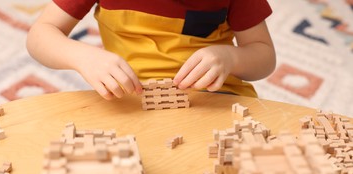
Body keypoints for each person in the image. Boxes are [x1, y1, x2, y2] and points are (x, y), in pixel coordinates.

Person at [26, 0, 276, 101]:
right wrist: (82, 56)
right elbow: (40, 34)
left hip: (216, 96)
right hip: (131, 98)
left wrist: (230, 58)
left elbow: (264, 55)